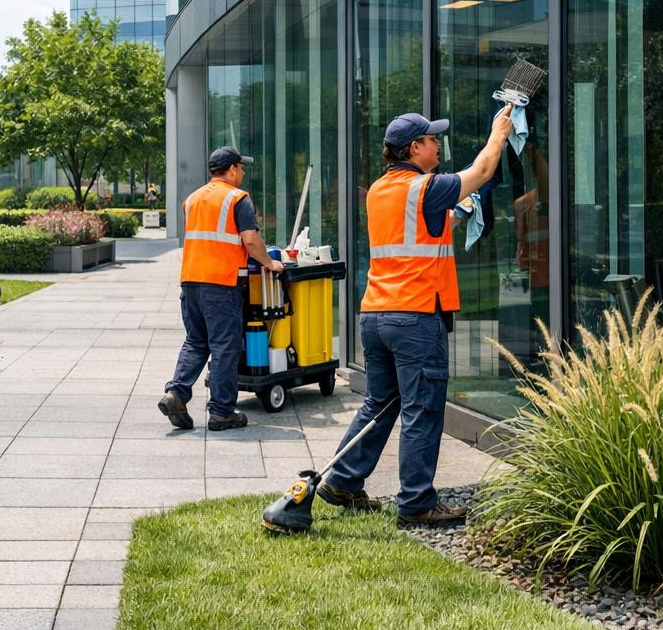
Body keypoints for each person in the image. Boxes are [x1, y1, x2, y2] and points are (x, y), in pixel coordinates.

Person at [318, 107, 513, 526]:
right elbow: (480, 170)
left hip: (375, 315)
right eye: (432, 139)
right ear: (414, 148)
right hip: (415, 316)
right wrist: (498, 131)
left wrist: (461, 209)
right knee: (421, 409)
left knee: (380, 402)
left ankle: (343, 480)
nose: (438, 144)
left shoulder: (379, 190)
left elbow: (422, 228)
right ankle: (417, 503)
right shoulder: (426, 189)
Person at [159, 147, 284, 432]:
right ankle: (222, 412)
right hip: (221, 284)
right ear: (231, 169)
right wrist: (270, 264)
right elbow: (250, 240)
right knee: (225, 347)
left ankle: (176, 393)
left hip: (191, 281)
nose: (242, 173)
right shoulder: (237, 198)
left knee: (196, 341)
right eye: (241, 168)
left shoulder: (191, 200)